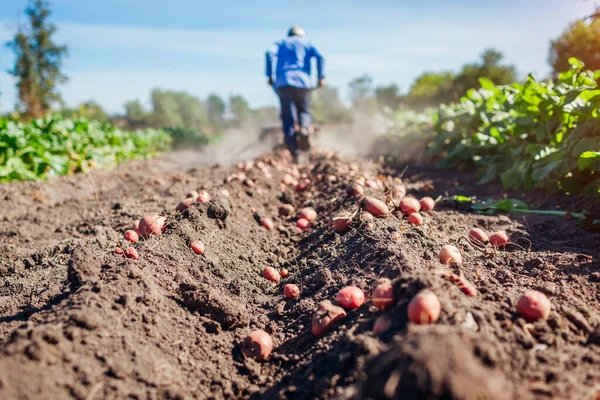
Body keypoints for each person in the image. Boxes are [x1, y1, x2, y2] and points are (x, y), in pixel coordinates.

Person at [265, 25, 325, 163]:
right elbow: (320, 56)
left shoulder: (281, 43)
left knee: (288, 118)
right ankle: (304, 128)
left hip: (284, 82)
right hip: (303, 82)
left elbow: (269, 53)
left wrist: (269, 75)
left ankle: (295, 152)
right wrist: (321, 76)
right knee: (304, 111)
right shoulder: (307, 43)